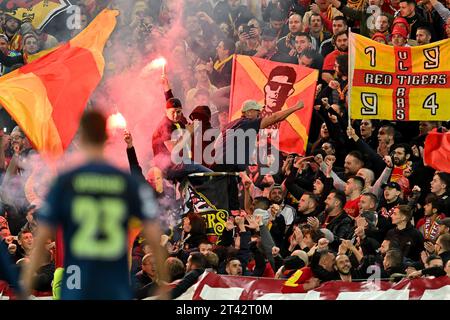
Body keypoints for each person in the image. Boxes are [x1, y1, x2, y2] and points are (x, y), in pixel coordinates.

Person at [22, 110, 168, 299]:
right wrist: (163, 285)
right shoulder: (126, 182)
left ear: (82, 138)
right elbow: (152, 232)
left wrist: (25, 284)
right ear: (106, 137)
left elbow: (42, 236)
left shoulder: (66, 182)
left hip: (77, 280)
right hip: (113, 280)